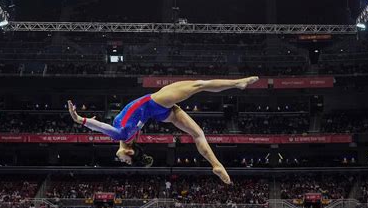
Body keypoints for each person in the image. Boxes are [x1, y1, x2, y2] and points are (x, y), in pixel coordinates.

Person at [68, 76, 258, 184]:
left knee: (198, 133)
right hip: (156, 102)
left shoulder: (129, 135)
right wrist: (80, 119)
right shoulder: (122, 134)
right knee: (199, 85)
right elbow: (103, 128)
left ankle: (216, 164)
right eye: (125, 160)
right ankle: (237, 83)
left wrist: (90, 121)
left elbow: (106, 127)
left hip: (159, 111)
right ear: (130, 151)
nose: (122, 160)